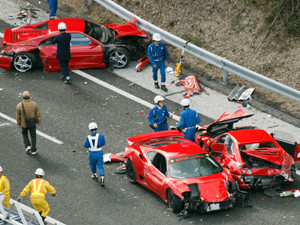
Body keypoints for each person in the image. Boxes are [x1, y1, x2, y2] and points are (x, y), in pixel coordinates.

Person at [16, 91, 42, 155]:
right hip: (32, 123)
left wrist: (19, 123)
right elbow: (38, 114)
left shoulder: (19, 105)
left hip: (24, 124)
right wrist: (38, 121)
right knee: (33, 136)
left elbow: (18, 116)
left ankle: (27, 145)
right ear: (29, 96)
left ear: (23, 97)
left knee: (24, 133)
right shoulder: (34, 104)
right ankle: (33, 149)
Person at [84, 122, 106, 187]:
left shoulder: (88, 137)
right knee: (100, 165)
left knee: (92, 164)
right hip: (99, 152)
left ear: (90, 129)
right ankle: (102, 177)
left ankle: (95, 174)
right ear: (96, 128)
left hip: (92, 153)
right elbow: (103, 143)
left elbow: (86, 145)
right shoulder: (101, 136)